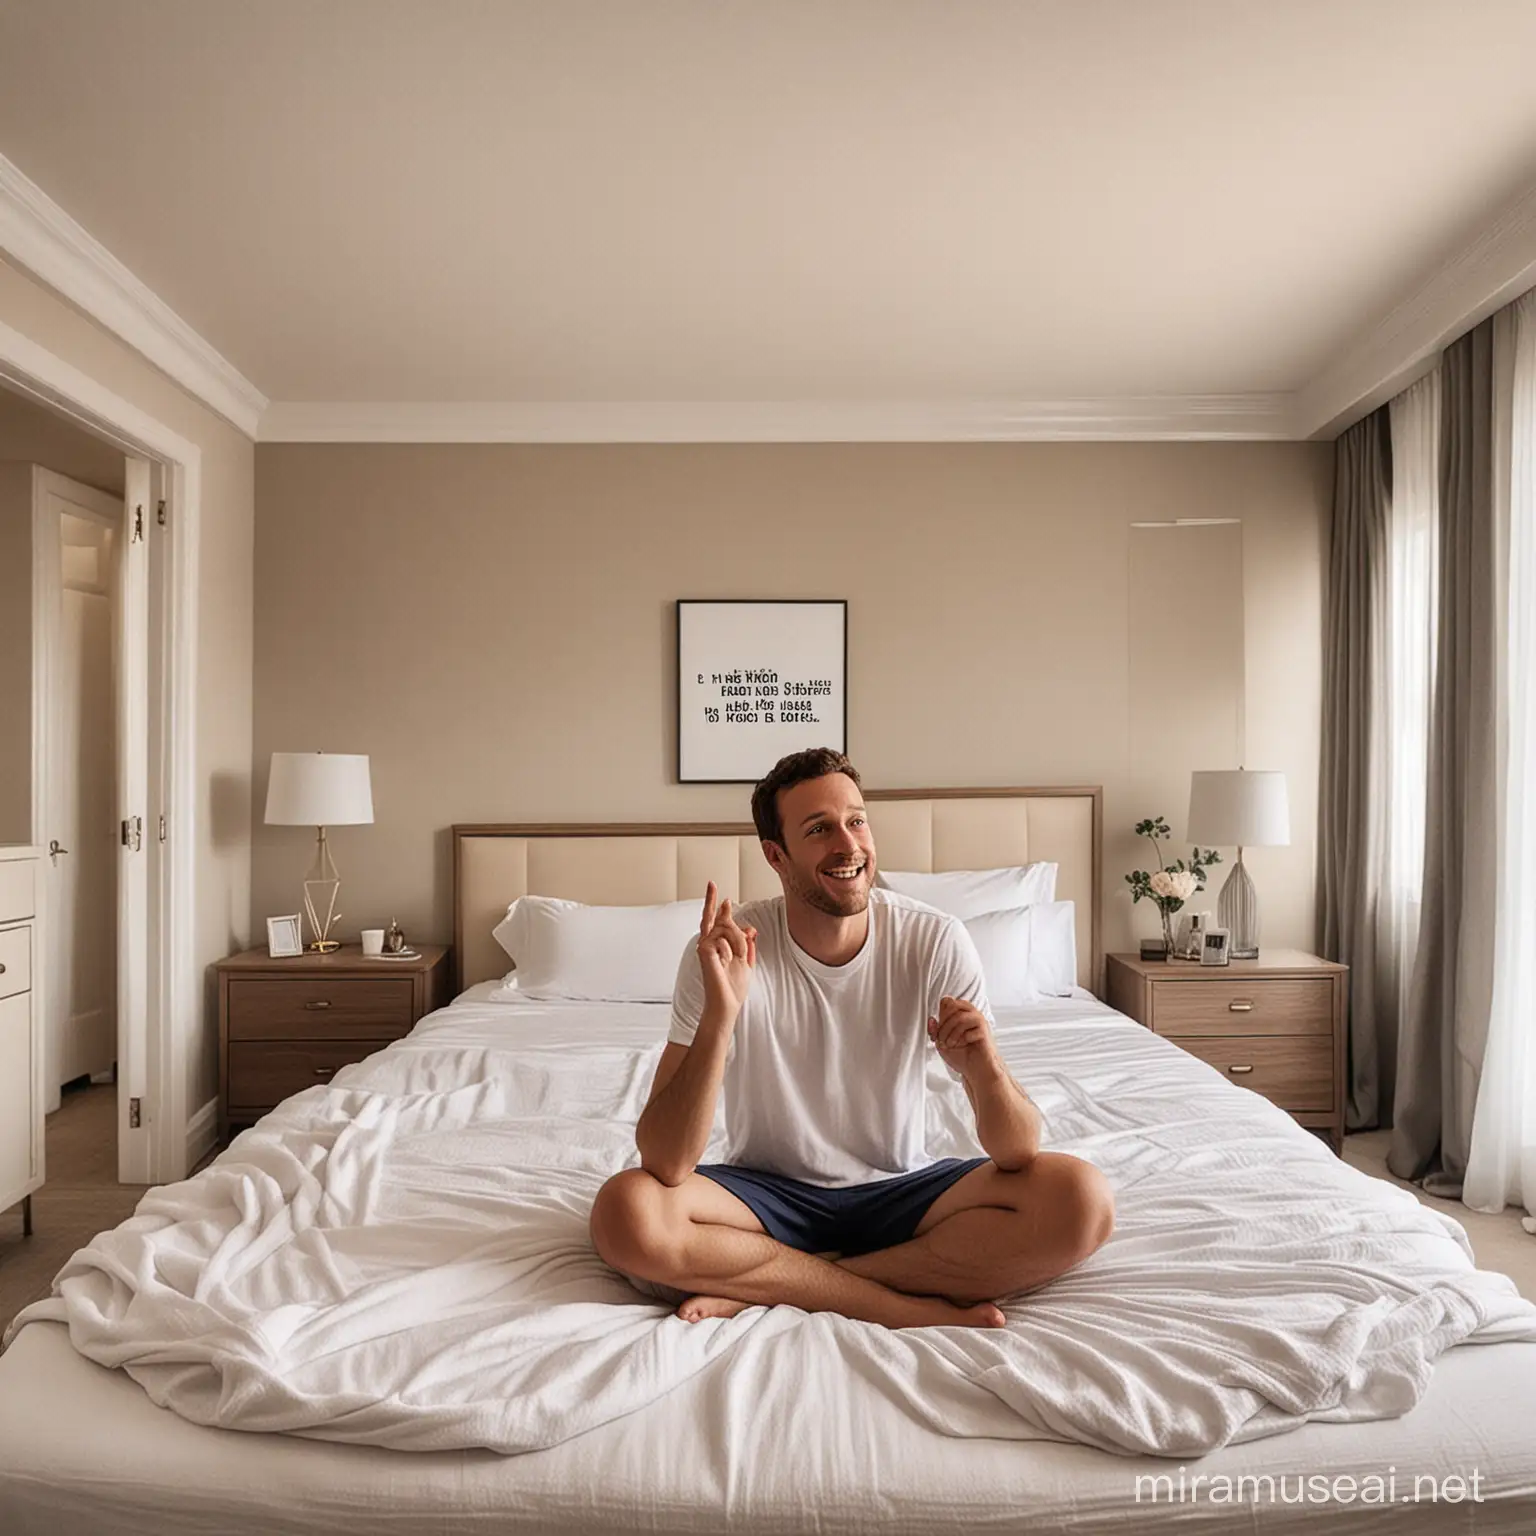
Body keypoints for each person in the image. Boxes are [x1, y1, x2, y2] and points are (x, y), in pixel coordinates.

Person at [589, 748, 1114, 1329]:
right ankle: (899, 1306)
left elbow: (1017, 1152)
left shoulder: (934, 940)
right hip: (766, 1195)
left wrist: (984, 1066)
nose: (849, 845)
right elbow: (665, 1161)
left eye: (856, 820)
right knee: (625, 1211)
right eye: (819, 829)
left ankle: (775, 1285)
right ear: (776, 855)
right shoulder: (725, 953)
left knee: (1082, 1199)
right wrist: (721, 1015)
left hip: (902, 1188)